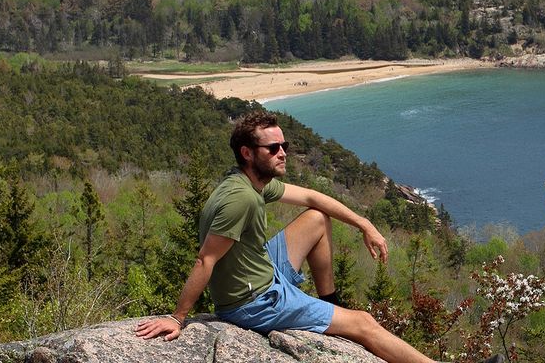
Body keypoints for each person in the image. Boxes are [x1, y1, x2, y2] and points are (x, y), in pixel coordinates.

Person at [135, 111, 502, 363]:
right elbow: (206, 259)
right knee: (363, 324)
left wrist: (365, 224)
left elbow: (313, 198)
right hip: (254, 301)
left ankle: (331, 302)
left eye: (284, 146)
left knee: (315, 218)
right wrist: (178, 318)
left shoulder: (248, 182)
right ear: (248, 153)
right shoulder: (242, 198)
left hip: (261, 272)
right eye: (273, 149)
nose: (282, 154)